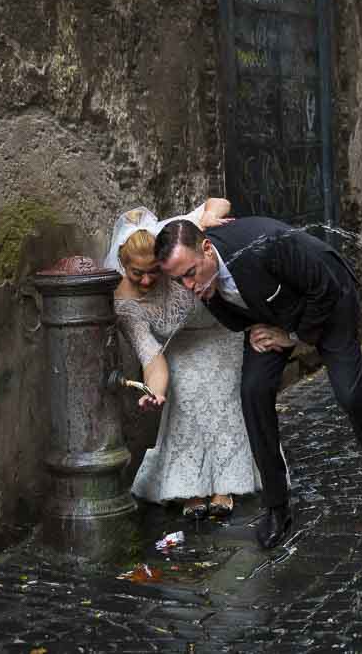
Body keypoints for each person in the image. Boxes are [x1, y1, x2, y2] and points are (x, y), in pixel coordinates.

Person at [154, 215, 362, 549]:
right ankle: (277, 507)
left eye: (191, 274)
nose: (190, 287)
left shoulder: (266, 245)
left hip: (329, 302)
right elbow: (230, 313)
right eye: (180, 281)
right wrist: (256, 330)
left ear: (207, 249)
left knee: (350, 395)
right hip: (270, 318)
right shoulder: (201, 276)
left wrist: (291, 335)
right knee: (253, 393)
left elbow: (326, 289)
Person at [105, 201, 263, 519]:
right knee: (186, 398)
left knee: (222, 395)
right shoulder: (123, 304)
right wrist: (156, 391)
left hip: (222, 328)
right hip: (179, 347)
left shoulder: (173, 237)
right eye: (138, 273)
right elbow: (151, 356)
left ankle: (225, 484)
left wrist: (208, 216)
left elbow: (218, 203)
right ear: (123, 264)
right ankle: (190, 487)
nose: (148, 280)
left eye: (154, 271)